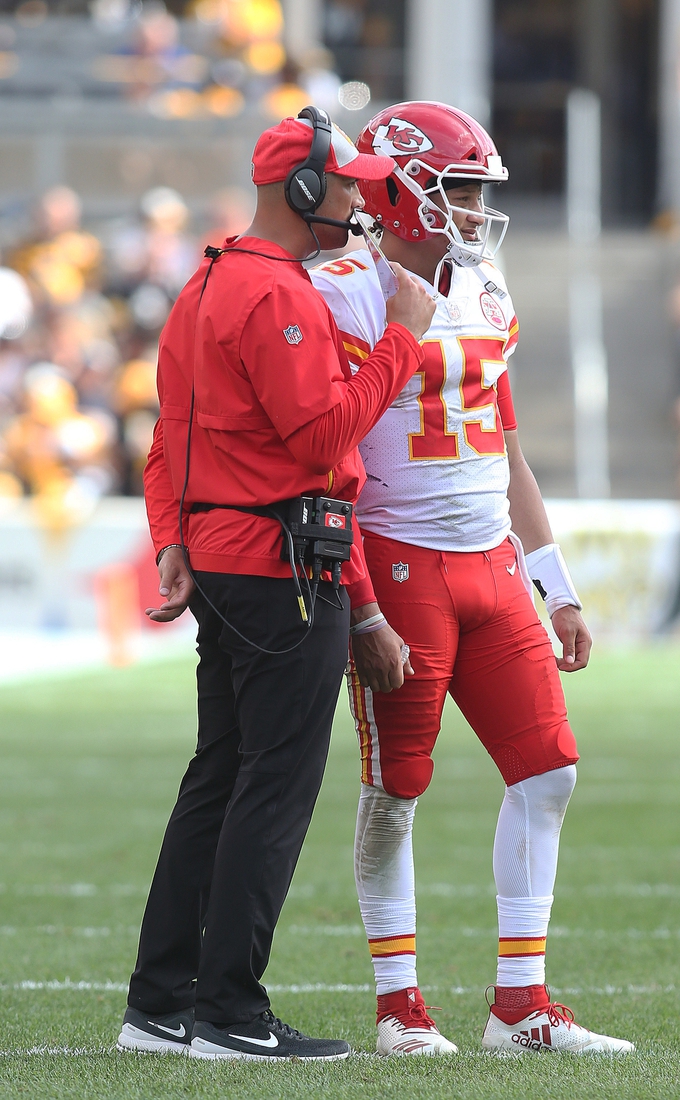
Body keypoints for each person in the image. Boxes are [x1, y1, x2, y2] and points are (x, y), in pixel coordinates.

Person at [310, 101, 635, 1057]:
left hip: (490, 562)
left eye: (474, 189)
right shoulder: (341, 288)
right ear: (402, 188)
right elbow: (328, 448)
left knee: (549, 772)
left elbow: (509, 448)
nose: (470, 206)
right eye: (455, 185)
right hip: (399, 561)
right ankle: (398, 1004)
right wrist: (357, 596)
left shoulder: (485, 287)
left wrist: (557, 582)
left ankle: (520, 1006)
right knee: (397, 786)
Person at [116, 106, 435, 1062]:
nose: (356, 199)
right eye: (344, 184)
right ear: (305, 189)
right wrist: (403, 342)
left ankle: (162, 1003)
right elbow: (321, 437)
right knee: (273, 787)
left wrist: (172, 537)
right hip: (285, 567)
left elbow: (170, 432)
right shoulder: (278, 293)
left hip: (225, 558)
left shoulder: (205, 280)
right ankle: (229, 1011)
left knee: (217, 777)